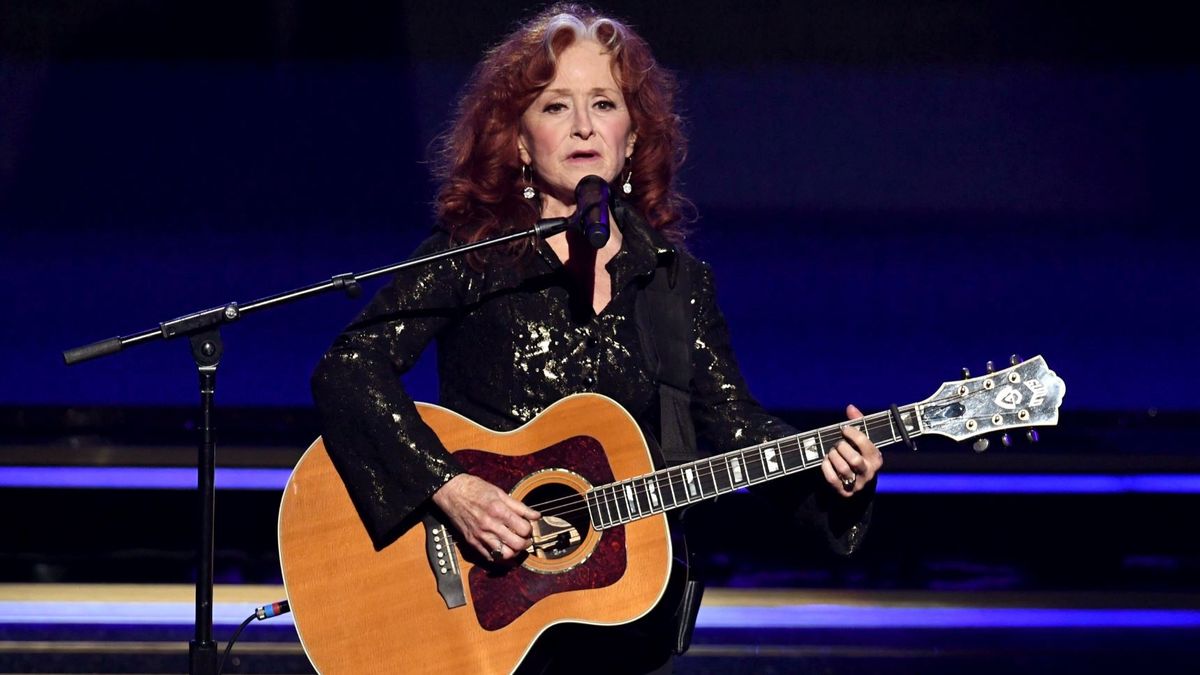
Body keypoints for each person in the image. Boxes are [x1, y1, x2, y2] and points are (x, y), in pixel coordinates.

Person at [311, 3, 882, 673]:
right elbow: (348, 368)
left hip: (618, 622)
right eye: (555, 107)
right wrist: (452, 488)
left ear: (633, 136)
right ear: (519, 141)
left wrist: (832, 473)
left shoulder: (677, 283)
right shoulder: (474, 257)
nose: (583, 126)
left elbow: (731, 425)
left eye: (604, 103)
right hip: (484, 616)